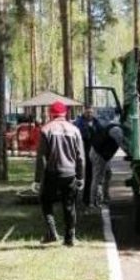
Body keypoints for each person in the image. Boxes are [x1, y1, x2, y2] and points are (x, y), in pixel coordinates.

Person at [33, 101, 85, 246]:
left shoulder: (46, 129)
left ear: (51, 113)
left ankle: (51, 233)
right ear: (65, 113)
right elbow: (80, 156)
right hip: (70, 173)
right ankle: (70, 238)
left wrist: (37, 180)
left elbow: (41, 157)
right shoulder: (75, 130)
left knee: (45, 201)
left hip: (52, 173)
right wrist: (80, 177)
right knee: (69, 205)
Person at [89, 121, 127, 208]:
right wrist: (129, 151)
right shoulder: (117, 130)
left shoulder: (116, 127)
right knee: (98, 178)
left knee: (108, 174)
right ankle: (94, 202)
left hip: (101, 153)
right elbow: (121, 143)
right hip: (99, 154)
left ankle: (105, 197)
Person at [74, 107, 98, 206]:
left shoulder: (95, 121)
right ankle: (78, 199)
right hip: (82, 153)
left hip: (93, 153)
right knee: (81, 176)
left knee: (91, 177)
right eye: (87, 112)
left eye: (91, 112)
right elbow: (85, 136)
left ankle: (88, 199)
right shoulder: (79, 123)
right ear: (83, 111)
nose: (89, 114)